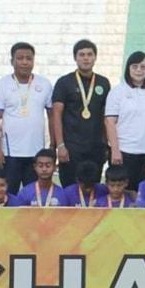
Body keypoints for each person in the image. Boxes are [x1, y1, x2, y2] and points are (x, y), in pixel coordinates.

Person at [0, 42, 54, 195]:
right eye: (20, 58)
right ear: (12, 61)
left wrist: (53, 145)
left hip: (36, 152)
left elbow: (52, 116)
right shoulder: (2, 84)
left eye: (29, 58)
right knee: (9, 194)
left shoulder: (44, 84)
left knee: (34, 195)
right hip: (10, 153)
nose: (25, 62)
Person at [51, 39, 111, 187]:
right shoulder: (64, 82)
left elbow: (106, 116)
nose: (86, 58)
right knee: (70, 188)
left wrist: (106, 144)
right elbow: (56, 115)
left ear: (95, 57)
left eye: (90, 54)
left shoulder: (103, 83)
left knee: (93, 189)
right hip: (71, 147)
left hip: (95, 147)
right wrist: (60, 145)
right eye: (82, 54)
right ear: (75, 58)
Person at [105, 51, 145, 191]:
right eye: (135, 66)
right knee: (125, 193)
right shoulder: (117, 92)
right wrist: (115, 150)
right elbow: (110, 122)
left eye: (143, 67)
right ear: (128, 68)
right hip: (125, 151)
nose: (139, 70)